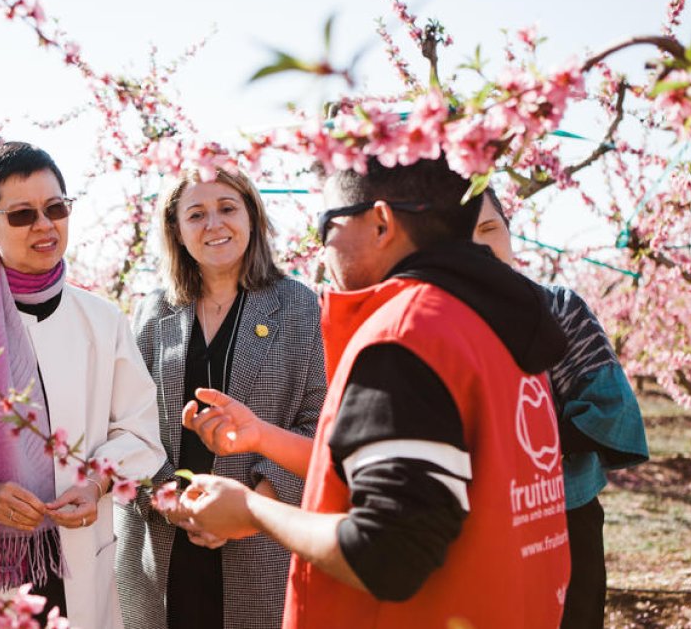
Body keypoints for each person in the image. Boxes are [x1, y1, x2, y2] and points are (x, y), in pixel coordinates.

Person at [175, 156, 572, 628]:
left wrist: (253, 510)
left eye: (327, 227)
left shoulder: (409, 333)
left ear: (381, 223)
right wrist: (262, 435)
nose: (322, 253)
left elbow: (386, 552)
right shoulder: (495, 323)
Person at [0, 141, 165, 629]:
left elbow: (140, 431)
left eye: (56, 208)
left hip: (81, 550)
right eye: (21, 215)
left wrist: (96, 485)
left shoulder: (101, 319)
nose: (44, 225)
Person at [115, 167, 326, 629]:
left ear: (251, 215)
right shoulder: (153, 311)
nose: (214, 224)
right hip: (164, 541)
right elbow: (127, 424)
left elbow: (318, 424)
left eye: (227, 208)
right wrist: (175, 504)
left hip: (260, 542)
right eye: (196, 214)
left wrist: (253, 510)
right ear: (177, 230)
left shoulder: (299, 306)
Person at [475, 187, 648, 628]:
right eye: (461, 236)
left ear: (510, 233)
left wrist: (522, 444)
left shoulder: (559, 307)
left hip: (566, 514)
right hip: (478, 524)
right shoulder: (433, 324)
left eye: (490, 228)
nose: (480, 245)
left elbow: (609, 408)